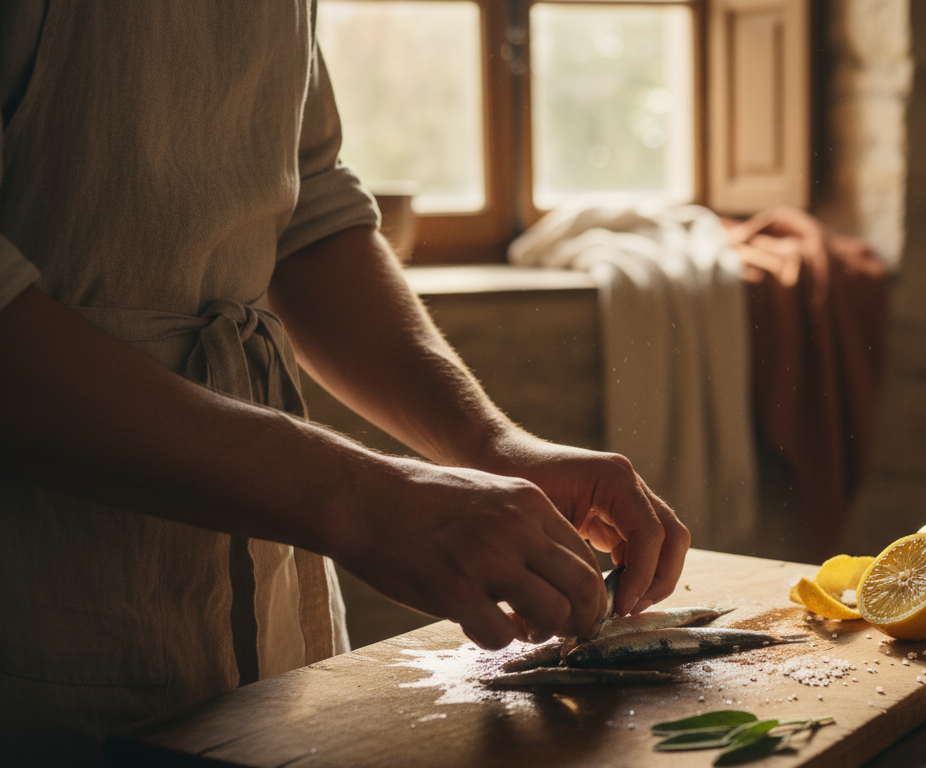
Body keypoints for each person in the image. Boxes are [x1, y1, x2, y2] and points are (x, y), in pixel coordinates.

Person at [0, 2, 689, 764]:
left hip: (252, 568)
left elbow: (308, 213)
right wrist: (363, 500)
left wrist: (489, 445)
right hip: (38, 580)